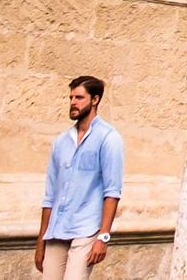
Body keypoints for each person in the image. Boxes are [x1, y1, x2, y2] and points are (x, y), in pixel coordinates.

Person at [34, 75, 124, 277]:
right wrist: (41, 241)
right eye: (71, 98)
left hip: (86, 229)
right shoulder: (61, 142)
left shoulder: (109, 138)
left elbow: (112, 191)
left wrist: (104, 236)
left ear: (95, 100)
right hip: (57, 230)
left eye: (79, 97)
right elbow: (50, 195)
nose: (73, 103)